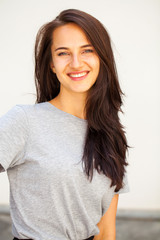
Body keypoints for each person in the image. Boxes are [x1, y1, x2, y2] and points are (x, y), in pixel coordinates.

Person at [0, 9, 129, 240]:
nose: (76, 63)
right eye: (63, 53)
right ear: (51, 64)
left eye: (87, 50)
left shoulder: (111, 135)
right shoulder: (25, 121)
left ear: (102, 57)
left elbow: (106, 232)